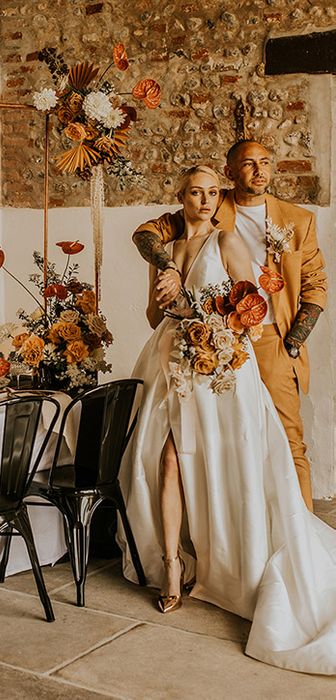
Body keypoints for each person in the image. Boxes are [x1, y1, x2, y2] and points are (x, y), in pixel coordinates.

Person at [119, 164, 336, 674]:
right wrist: (166, 300)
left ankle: (226, 557)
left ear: (220, 198)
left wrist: (222, 334)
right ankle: (172, 567)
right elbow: (156, 319)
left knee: (219, 461)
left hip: (219, 369)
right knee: (166, 459)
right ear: (181, 195)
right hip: (170, 361)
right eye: (195, 192)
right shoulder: (166, 249)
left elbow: (253, 307)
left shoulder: (229, 242)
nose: (204, 200)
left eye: (213, 193)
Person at [132, 140, 327, 511]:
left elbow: (316, 286)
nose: (259, 170)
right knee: (224, 439)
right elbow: (146, 234)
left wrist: (294, 340)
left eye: (265, 162)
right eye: (249, 164)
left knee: (288, 439)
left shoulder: (298, 220)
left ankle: (302, 529)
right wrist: (167, 266)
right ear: (230, 172)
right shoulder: (210, 203)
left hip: (271, 337)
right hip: (211, 337)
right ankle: (236, 527)